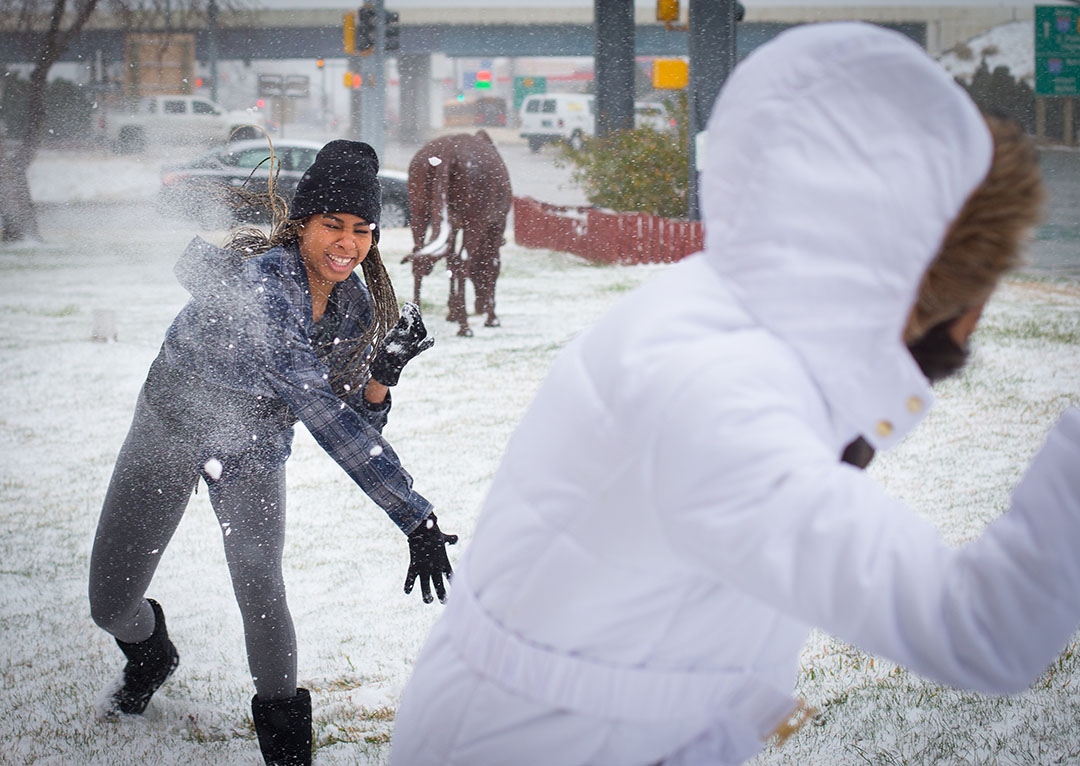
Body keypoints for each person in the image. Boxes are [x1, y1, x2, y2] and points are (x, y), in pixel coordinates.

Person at [389, 23, 1079, 766]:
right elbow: (986, 630)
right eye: (989, 277)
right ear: (928, 272)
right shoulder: (723, 401)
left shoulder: (738, 314)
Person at [89, 140, 457, 766]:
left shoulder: (352, 307)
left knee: (260, 581)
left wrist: (383, 372)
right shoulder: (266, 287)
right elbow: (320, 412)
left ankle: (288, 753)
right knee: (110, 605)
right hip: (170, 428)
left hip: (252, 446)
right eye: (332, 226)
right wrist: (412, 514)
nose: (348, 243)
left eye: (363, 230)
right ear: (302, 226)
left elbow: (355, 416)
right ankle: (152, 653)